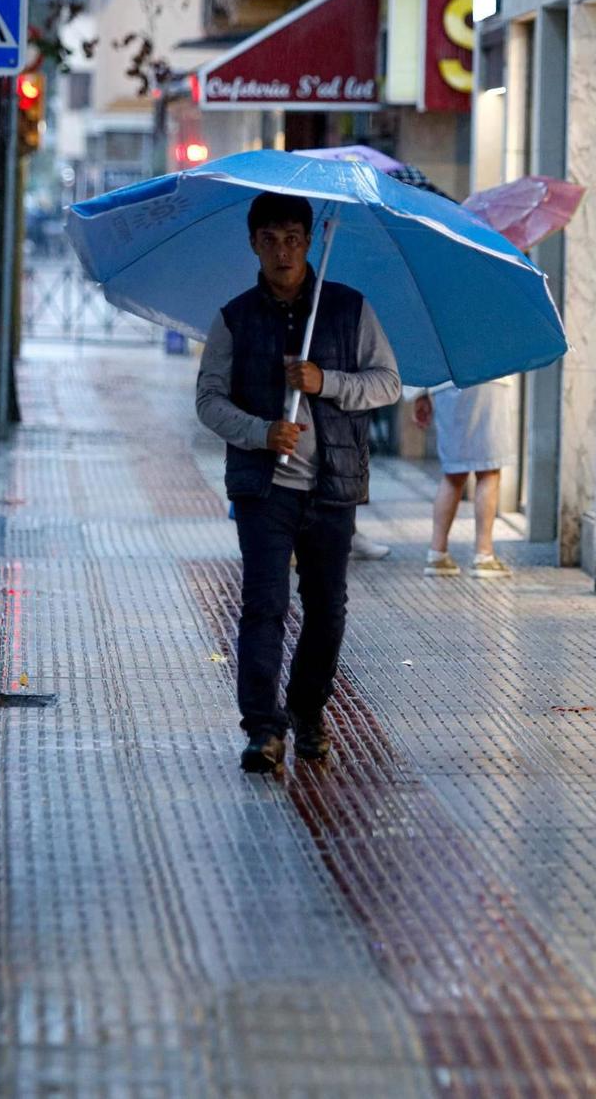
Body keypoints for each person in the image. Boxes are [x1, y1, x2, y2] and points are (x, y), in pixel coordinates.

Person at [196, 191, 400, 773]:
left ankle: (307, 709)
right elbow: (208, 400)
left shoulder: (347, 309)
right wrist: (260, 432)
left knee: (327, 608)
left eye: (292, 239)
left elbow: (387, 382)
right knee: (265, 605)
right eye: (270, 240)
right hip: (265, 489)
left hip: (333, 484)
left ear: (309, 243)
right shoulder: (235, 318)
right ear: (253, 243)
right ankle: (264, 729)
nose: (282, 252)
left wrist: (325, 381)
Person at [415, 376, 516, 578]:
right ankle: (484, 555)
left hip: (444, 384)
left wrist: (419, 393)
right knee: (489, 470)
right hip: (490, 378)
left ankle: (437, 554)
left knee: (453, 472)